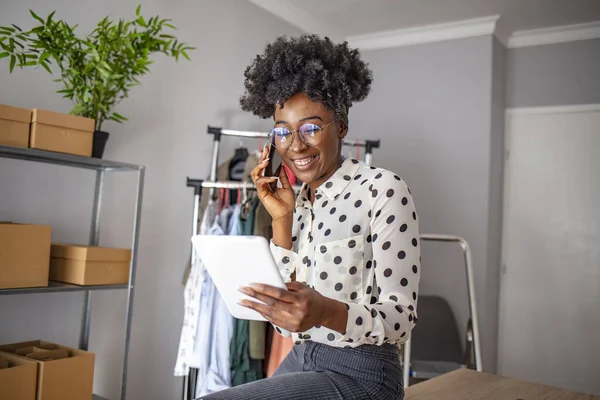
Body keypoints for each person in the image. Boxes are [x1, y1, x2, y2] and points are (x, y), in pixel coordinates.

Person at [201, 34, 420, 400]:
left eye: (311, 128)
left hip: (365, 373)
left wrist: (324, 311)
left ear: (343, 127)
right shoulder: (296, 202)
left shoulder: (382, 189)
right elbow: (286, 327)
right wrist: (282, 221)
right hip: (303, 357)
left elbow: (401, 319)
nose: (296, 145)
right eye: (283, 132)